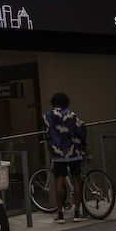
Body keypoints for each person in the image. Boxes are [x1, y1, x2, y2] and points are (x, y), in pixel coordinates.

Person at [43, 92, 87, 223]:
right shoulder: (71, 115)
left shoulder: (46, 116)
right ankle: (77, 213)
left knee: (59, 181)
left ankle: (60, 214)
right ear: (66, 102)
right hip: (73, 151)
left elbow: (47, 134)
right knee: (76, 180)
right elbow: (81, 129)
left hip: (57, 153)